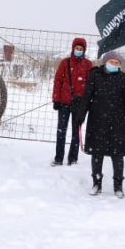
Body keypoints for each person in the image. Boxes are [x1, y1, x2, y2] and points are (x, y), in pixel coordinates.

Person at [77, 50, 125, 198]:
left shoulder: (123, 78)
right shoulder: (95, 75)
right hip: (97, 120)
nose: (115, 65)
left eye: (117, 63)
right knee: (97, 154)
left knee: (117, 156)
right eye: (112, 62)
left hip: (117, 122)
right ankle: (96, 184)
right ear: (105, 62)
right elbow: (87, 96)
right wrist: (81, 115)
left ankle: (118, 186)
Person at [51, 37, 94, 166]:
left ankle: (73, 159)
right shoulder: (65, 63)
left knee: (76, 132)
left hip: (79, 105)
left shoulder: (88, 65)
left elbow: (90, 85)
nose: (79, 50)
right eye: (77, 48)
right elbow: (58, 81)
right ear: (73, 48)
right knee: (61, 131)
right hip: (64, 102)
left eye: (81, 49)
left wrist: (86, 102)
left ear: (84, 50)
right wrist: (56, 99)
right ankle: (58, 158)